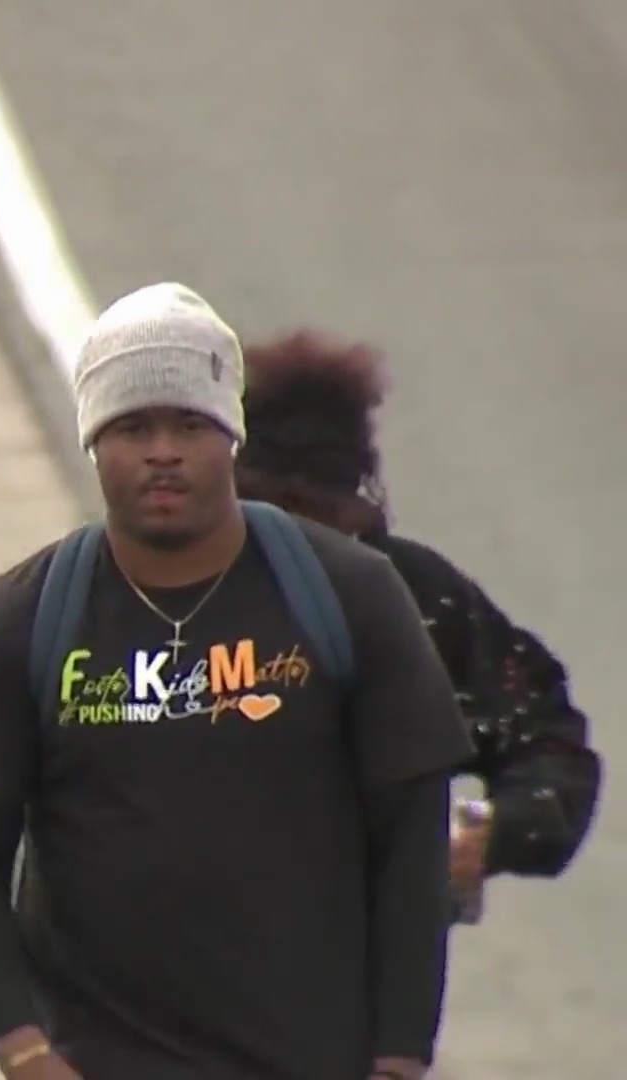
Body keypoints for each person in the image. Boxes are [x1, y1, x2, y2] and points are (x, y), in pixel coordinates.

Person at [0, 283, 475, 1080]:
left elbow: (412, 845)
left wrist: (402, 1054)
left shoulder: (349, 595)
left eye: (189, 425)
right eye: (133, 426)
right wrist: (22, 1044)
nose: (162, 451)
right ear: (95, 442)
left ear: (231, 438)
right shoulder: (27, 616)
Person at [235, 328, 602, 915]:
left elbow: (542, 732)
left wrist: (490, 834)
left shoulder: (418, 604)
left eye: (320, 521)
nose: (301, 547)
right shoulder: (177, 598)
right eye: (276, 519)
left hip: (365, 971)